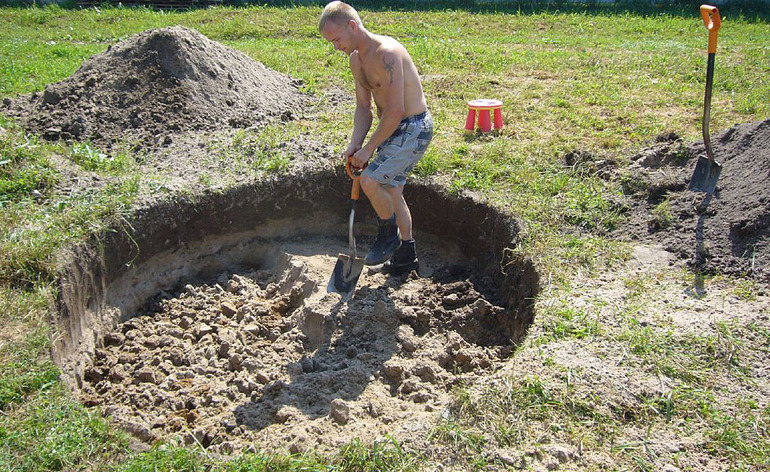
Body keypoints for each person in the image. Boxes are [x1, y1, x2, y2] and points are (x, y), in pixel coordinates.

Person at [319, 1, 434, 275]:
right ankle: (406, 254)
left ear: (352, 26)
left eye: (336, 39)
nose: (335, 46)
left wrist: (370, 149)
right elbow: (364, 108)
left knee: (371, 180)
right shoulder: (356, 60)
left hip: (414, 127)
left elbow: (395, 111)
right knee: (391, 191)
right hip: (393, 127)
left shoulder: (388, 55)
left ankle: (388, 236)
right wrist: (355, 144)